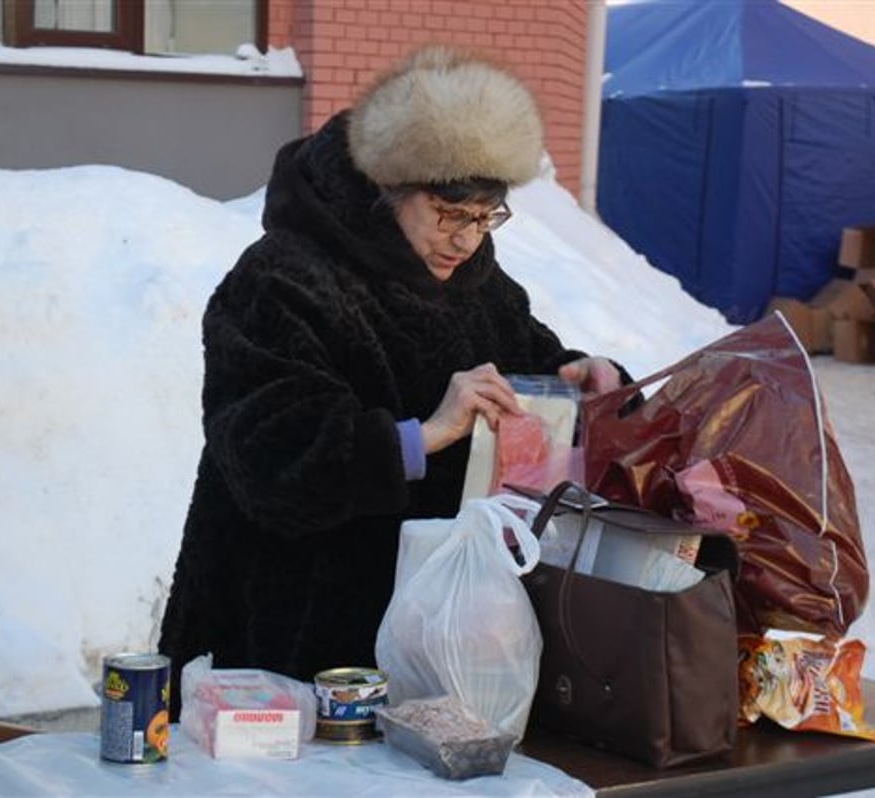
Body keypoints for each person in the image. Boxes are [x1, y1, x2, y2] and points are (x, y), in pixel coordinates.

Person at [157, 46, 637, 719]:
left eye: (485, 216)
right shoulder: (282, 278)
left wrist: (590, 384)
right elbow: (268, 455)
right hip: (286, 636)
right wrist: (419, 436)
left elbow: (531, 378)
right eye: (450, 213)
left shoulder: (480, 288)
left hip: (432, 638)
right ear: (387, 188)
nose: (467, 240)